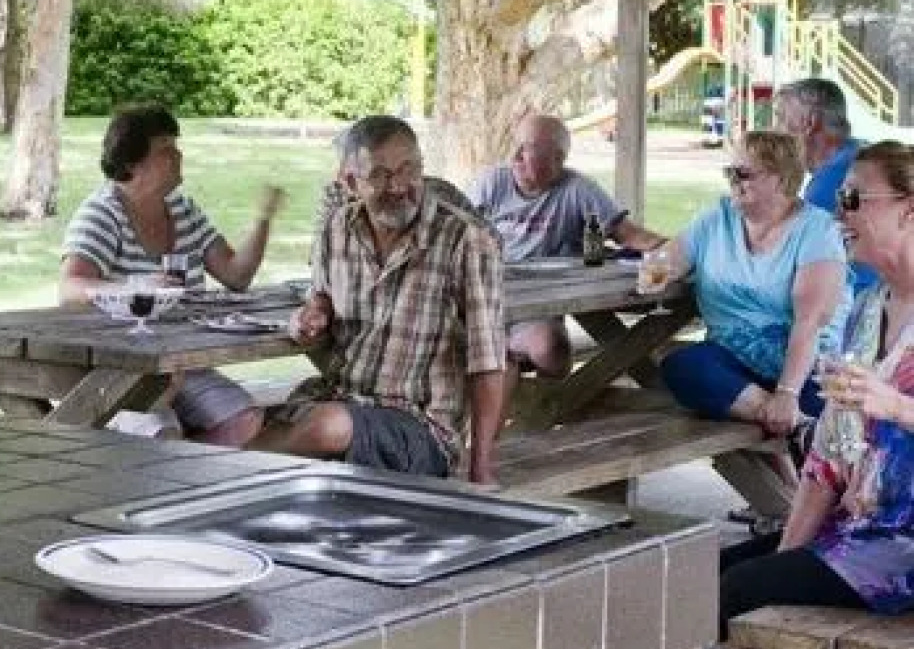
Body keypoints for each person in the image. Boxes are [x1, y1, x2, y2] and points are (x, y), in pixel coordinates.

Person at [720, 141, 914, 649]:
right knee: (702, 585)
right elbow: (830, 452)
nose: (837, 214)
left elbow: (885, 410)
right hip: (861, 531)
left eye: (854, 199)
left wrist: (900, 407)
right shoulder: (868, 307)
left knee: (735, 593)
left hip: (903, 546)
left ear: (909, 208)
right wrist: (791, 550)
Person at [251, 116, 507, 482]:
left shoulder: (466, 239)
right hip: (337, 397)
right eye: (381, 175)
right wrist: (312, 314)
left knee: (326, 428)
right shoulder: (336, 229)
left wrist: (481, 471)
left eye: (409, 170)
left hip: (420, 428)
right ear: (350, 182)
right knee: (238, 420)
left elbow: (488, 361)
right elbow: (320, 297)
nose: (399, 186)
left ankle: (227, 475)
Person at [60, 105, 284, 446]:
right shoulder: (102, 214)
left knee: (246, 420)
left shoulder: (182, 209)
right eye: (166, 151)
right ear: (132, 164)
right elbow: (70, 288)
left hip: (182, 361)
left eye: (176, 147)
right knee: (163, 436)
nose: (178, 156)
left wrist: (263, 218)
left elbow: (236, 276)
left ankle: (190, 481)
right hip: (124, 368)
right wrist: (136, 287)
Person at [659, 130, 850, 439]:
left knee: (823, 402)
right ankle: (799, 428)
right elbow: (670, 258)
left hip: (805, 372)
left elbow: (810, 321)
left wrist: (786, 393)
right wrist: (662, 270)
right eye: (729, 172)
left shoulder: (817, 229)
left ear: (780, 178)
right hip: (734, 370)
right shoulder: (716, 219)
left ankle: (792, 423)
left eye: (743, 173)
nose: (733, 181)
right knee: (683, 367)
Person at [468, 114, 664, 381]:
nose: (516, 155)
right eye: (517, 145)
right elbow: (455, 232)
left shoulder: (577, 189)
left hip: (539, 308)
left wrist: (681, 250)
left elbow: (628, 234)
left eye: (529, 148)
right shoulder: (491, 183)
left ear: (558, 160)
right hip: (482, 305)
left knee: (553, 350)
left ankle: (544, 408)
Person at [773, 77, 875, 291]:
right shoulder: (859, 155)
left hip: (858, 306)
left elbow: (791, 264)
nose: (775, 131)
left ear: (809, 124)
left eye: (781, 118)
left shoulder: (831, 183)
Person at [312, 124, 479, 238]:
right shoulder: (336, 194)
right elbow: (320, 251)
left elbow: (488, 238)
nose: (396, 186)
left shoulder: (439, 190)